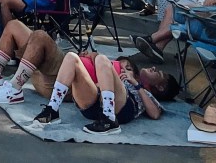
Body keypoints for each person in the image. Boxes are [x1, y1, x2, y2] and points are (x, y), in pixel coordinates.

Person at [33, 52, 172, 134]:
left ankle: (110, 120)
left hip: (121, 108)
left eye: (159, 73)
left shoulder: (144, 91)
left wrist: (136, 84)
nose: (154, 67)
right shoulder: (115, 78)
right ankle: (52, 110)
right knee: (71, 57)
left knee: (102, 59)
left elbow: (155, 114)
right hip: (94, 105)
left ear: (160, 87)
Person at [133, 0, 216, 62]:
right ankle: (158, 48)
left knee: (183, 22)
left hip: (210, 17)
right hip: (202, 3)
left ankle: (152, 39)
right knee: (171, 8)